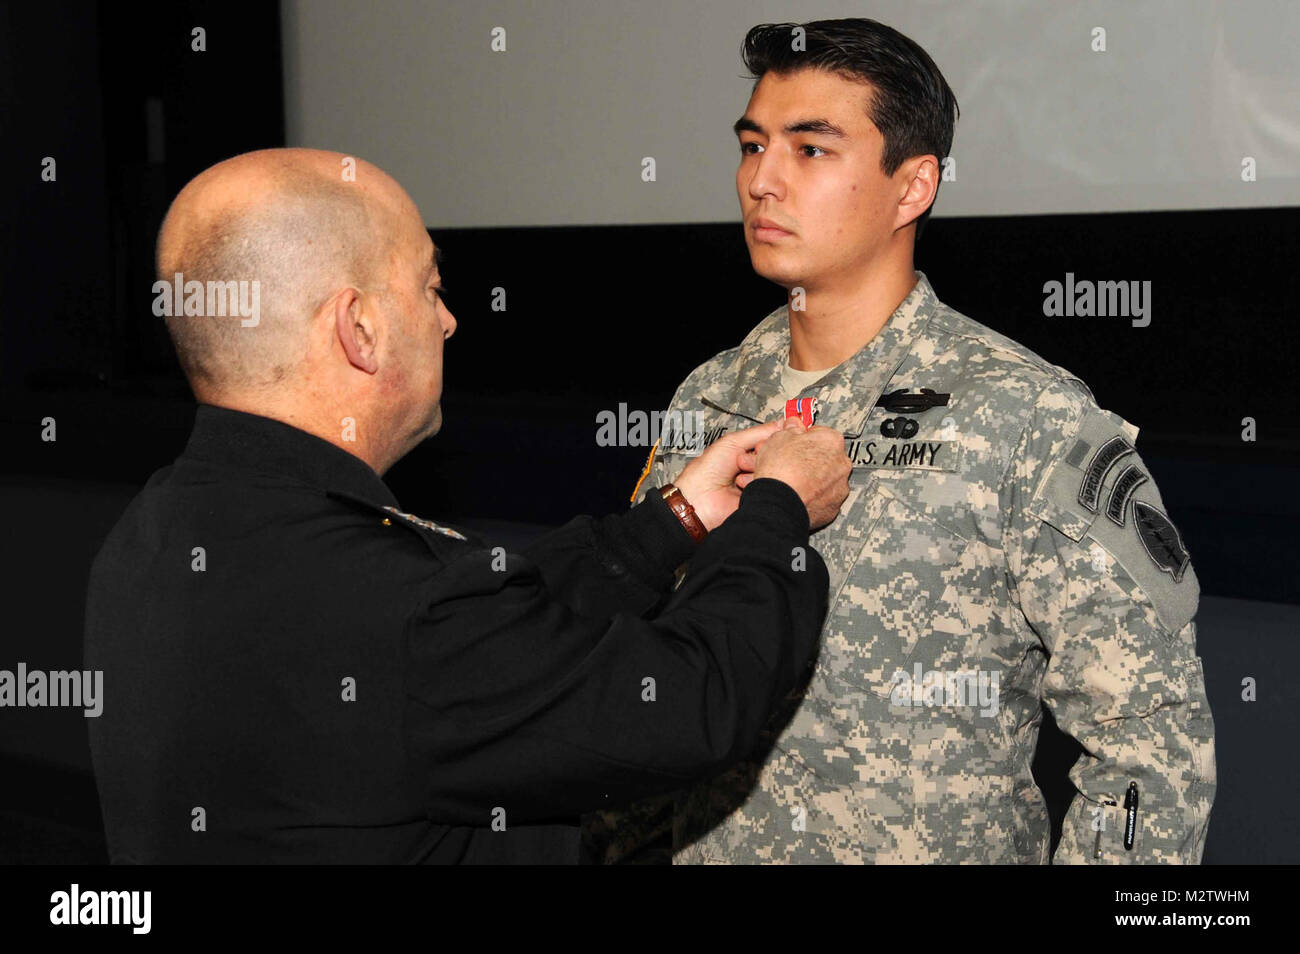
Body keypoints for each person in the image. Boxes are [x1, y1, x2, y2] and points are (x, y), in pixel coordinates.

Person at [84, 147, 852, 864]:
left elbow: (489, 644)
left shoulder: (158, 530)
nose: (447, 318)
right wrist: (777, 509)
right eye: (427, 286)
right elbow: (692, 705)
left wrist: (673, 522)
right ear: (359, 328)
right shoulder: (396, 610)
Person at [590, 18, 1216, 864]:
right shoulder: (707, 400)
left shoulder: (1025, 414)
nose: (762, 181)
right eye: (752, 145)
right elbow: (642, 686)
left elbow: (1151, 743)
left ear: (913, 186)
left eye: (810, 150)